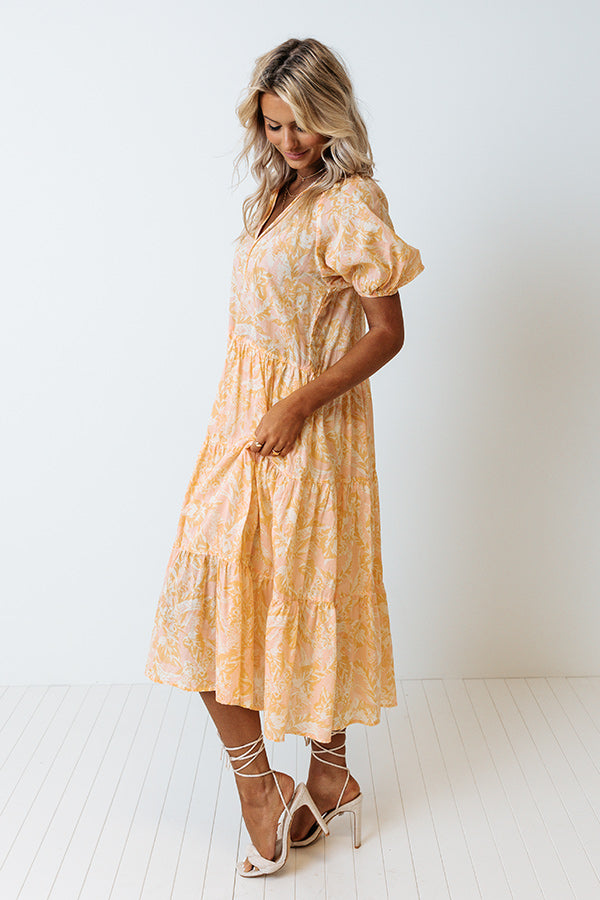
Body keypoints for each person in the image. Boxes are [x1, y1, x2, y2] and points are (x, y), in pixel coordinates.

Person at [144, 36, 424, 877]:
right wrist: (259, 407)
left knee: (304, 587)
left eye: (301, 123)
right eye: (273, 124)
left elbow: (387, 333)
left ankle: (309, 782)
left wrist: (297, 404)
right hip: (243, 417)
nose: (288, 139)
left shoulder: (349, 202)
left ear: (332, 115)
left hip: (310, 426)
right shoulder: (278, 192)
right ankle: (282, 783)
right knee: (210, 584)